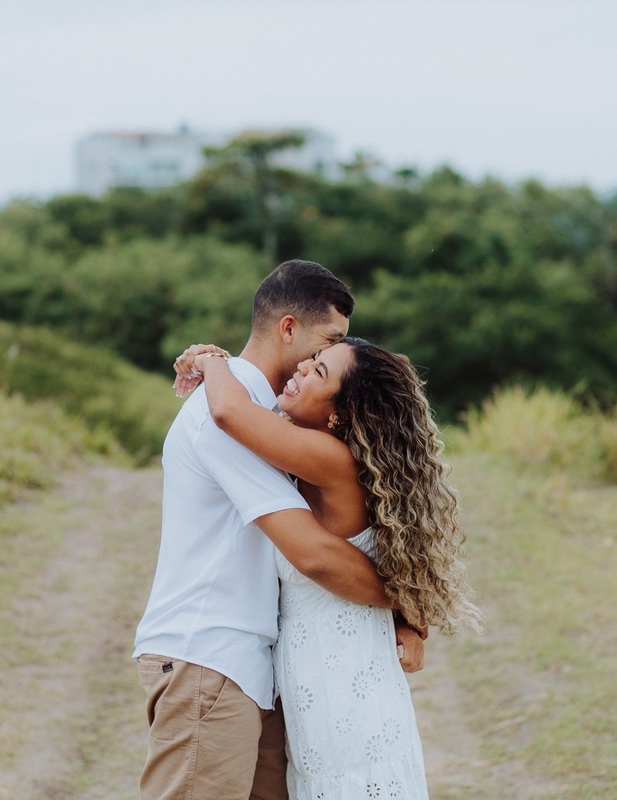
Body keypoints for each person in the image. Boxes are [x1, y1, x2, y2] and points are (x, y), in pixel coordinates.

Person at [132, 260, 426, 800]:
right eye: (326, 344)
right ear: (288, 328)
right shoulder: (230, 407)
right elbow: (312, 553)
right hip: (209, 656)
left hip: (251, 669)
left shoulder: (266, 415)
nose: (320, 360)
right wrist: (408, 601)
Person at [177, 336, 483, 800]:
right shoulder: (325, 457)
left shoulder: (331, 458)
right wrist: (410, 619)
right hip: (318, 674)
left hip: (343, 679)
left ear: (340, 414)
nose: (301, 368)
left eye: (319, 372)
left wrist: (213, 361)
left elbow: (229, 414)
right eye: (312, 360)